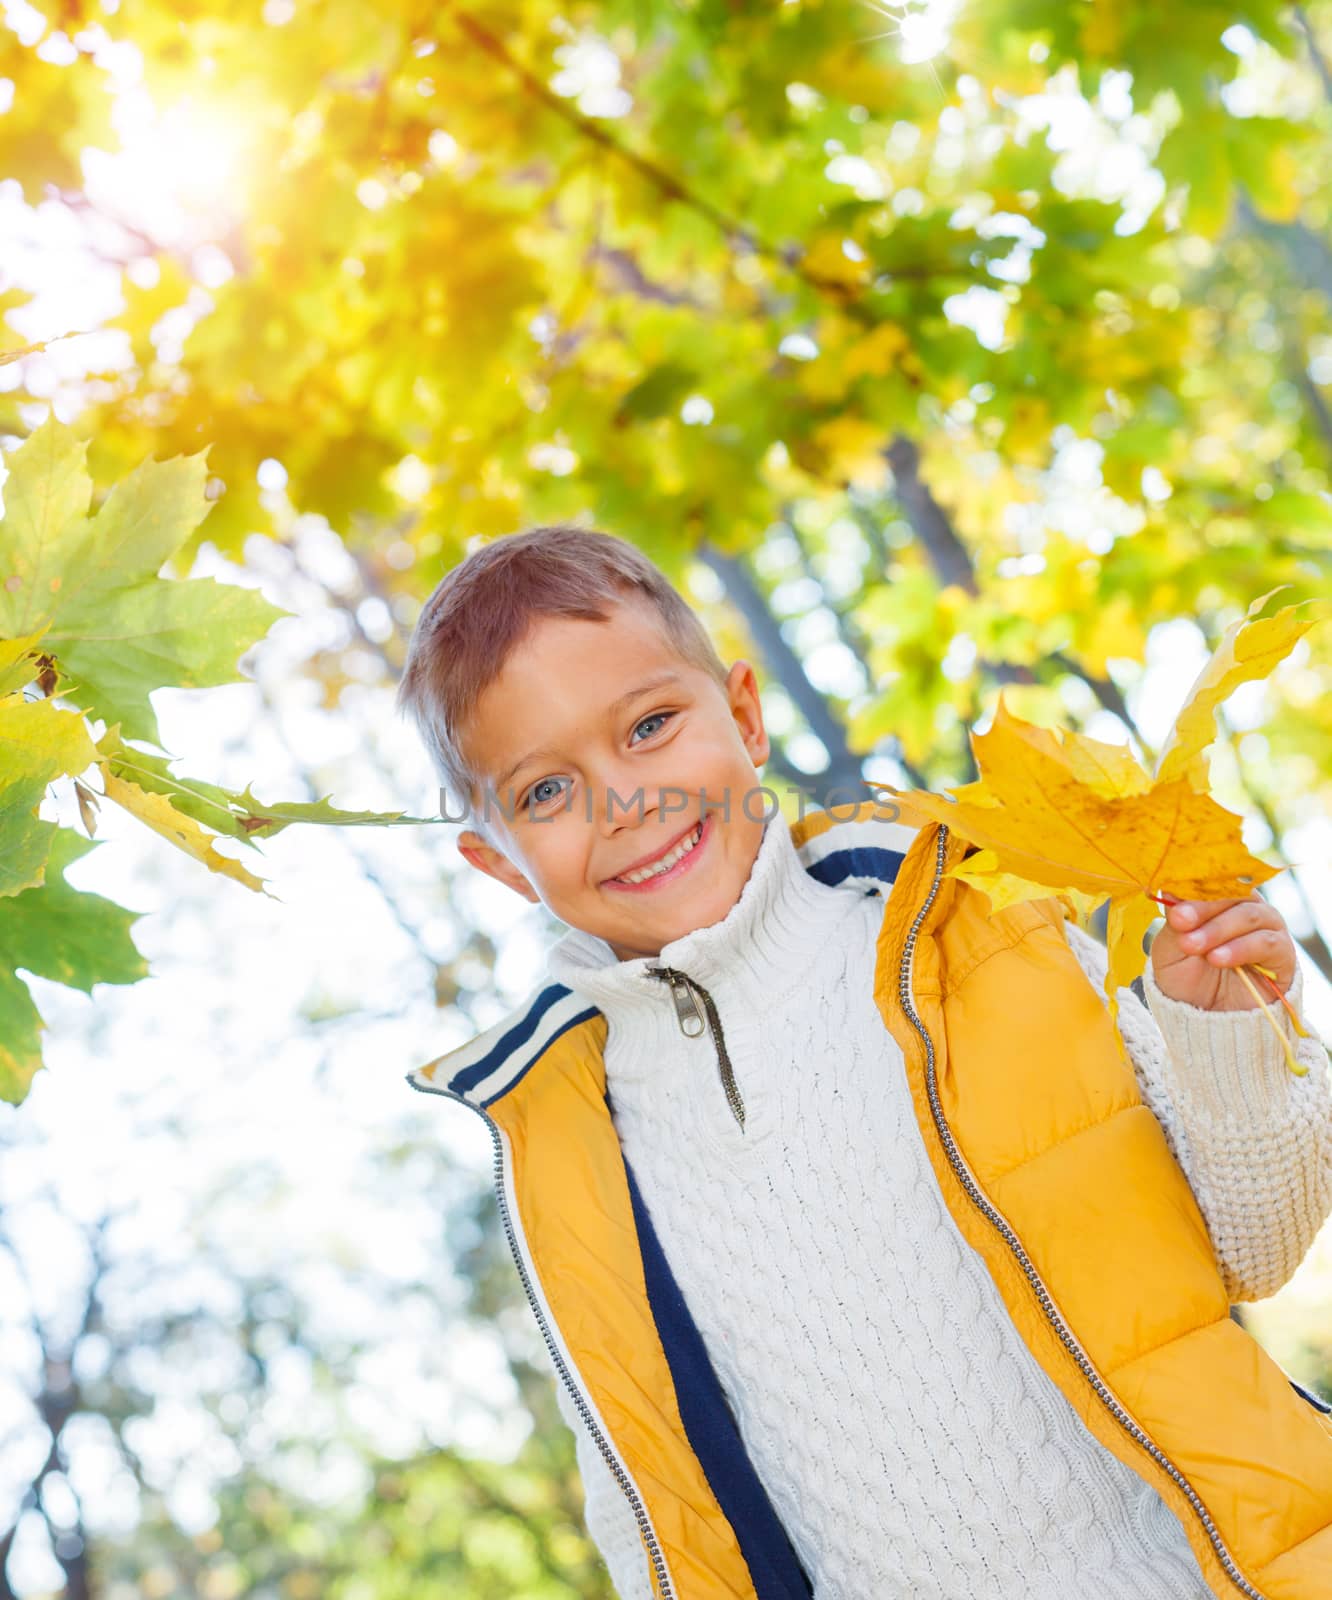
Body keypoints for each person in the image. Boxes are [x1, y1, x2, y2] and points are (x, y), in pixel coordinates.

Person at [395, 523, 1332, 1600]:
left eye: (651, 725)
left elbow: (1253, 1244)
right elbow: (644, 1511)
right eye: (545, 792)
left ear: (743, 715)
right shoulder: (564, 1143)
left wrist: (1224, 1036)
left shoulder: (963, 929)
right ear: (497, 861)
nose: (623, 800)